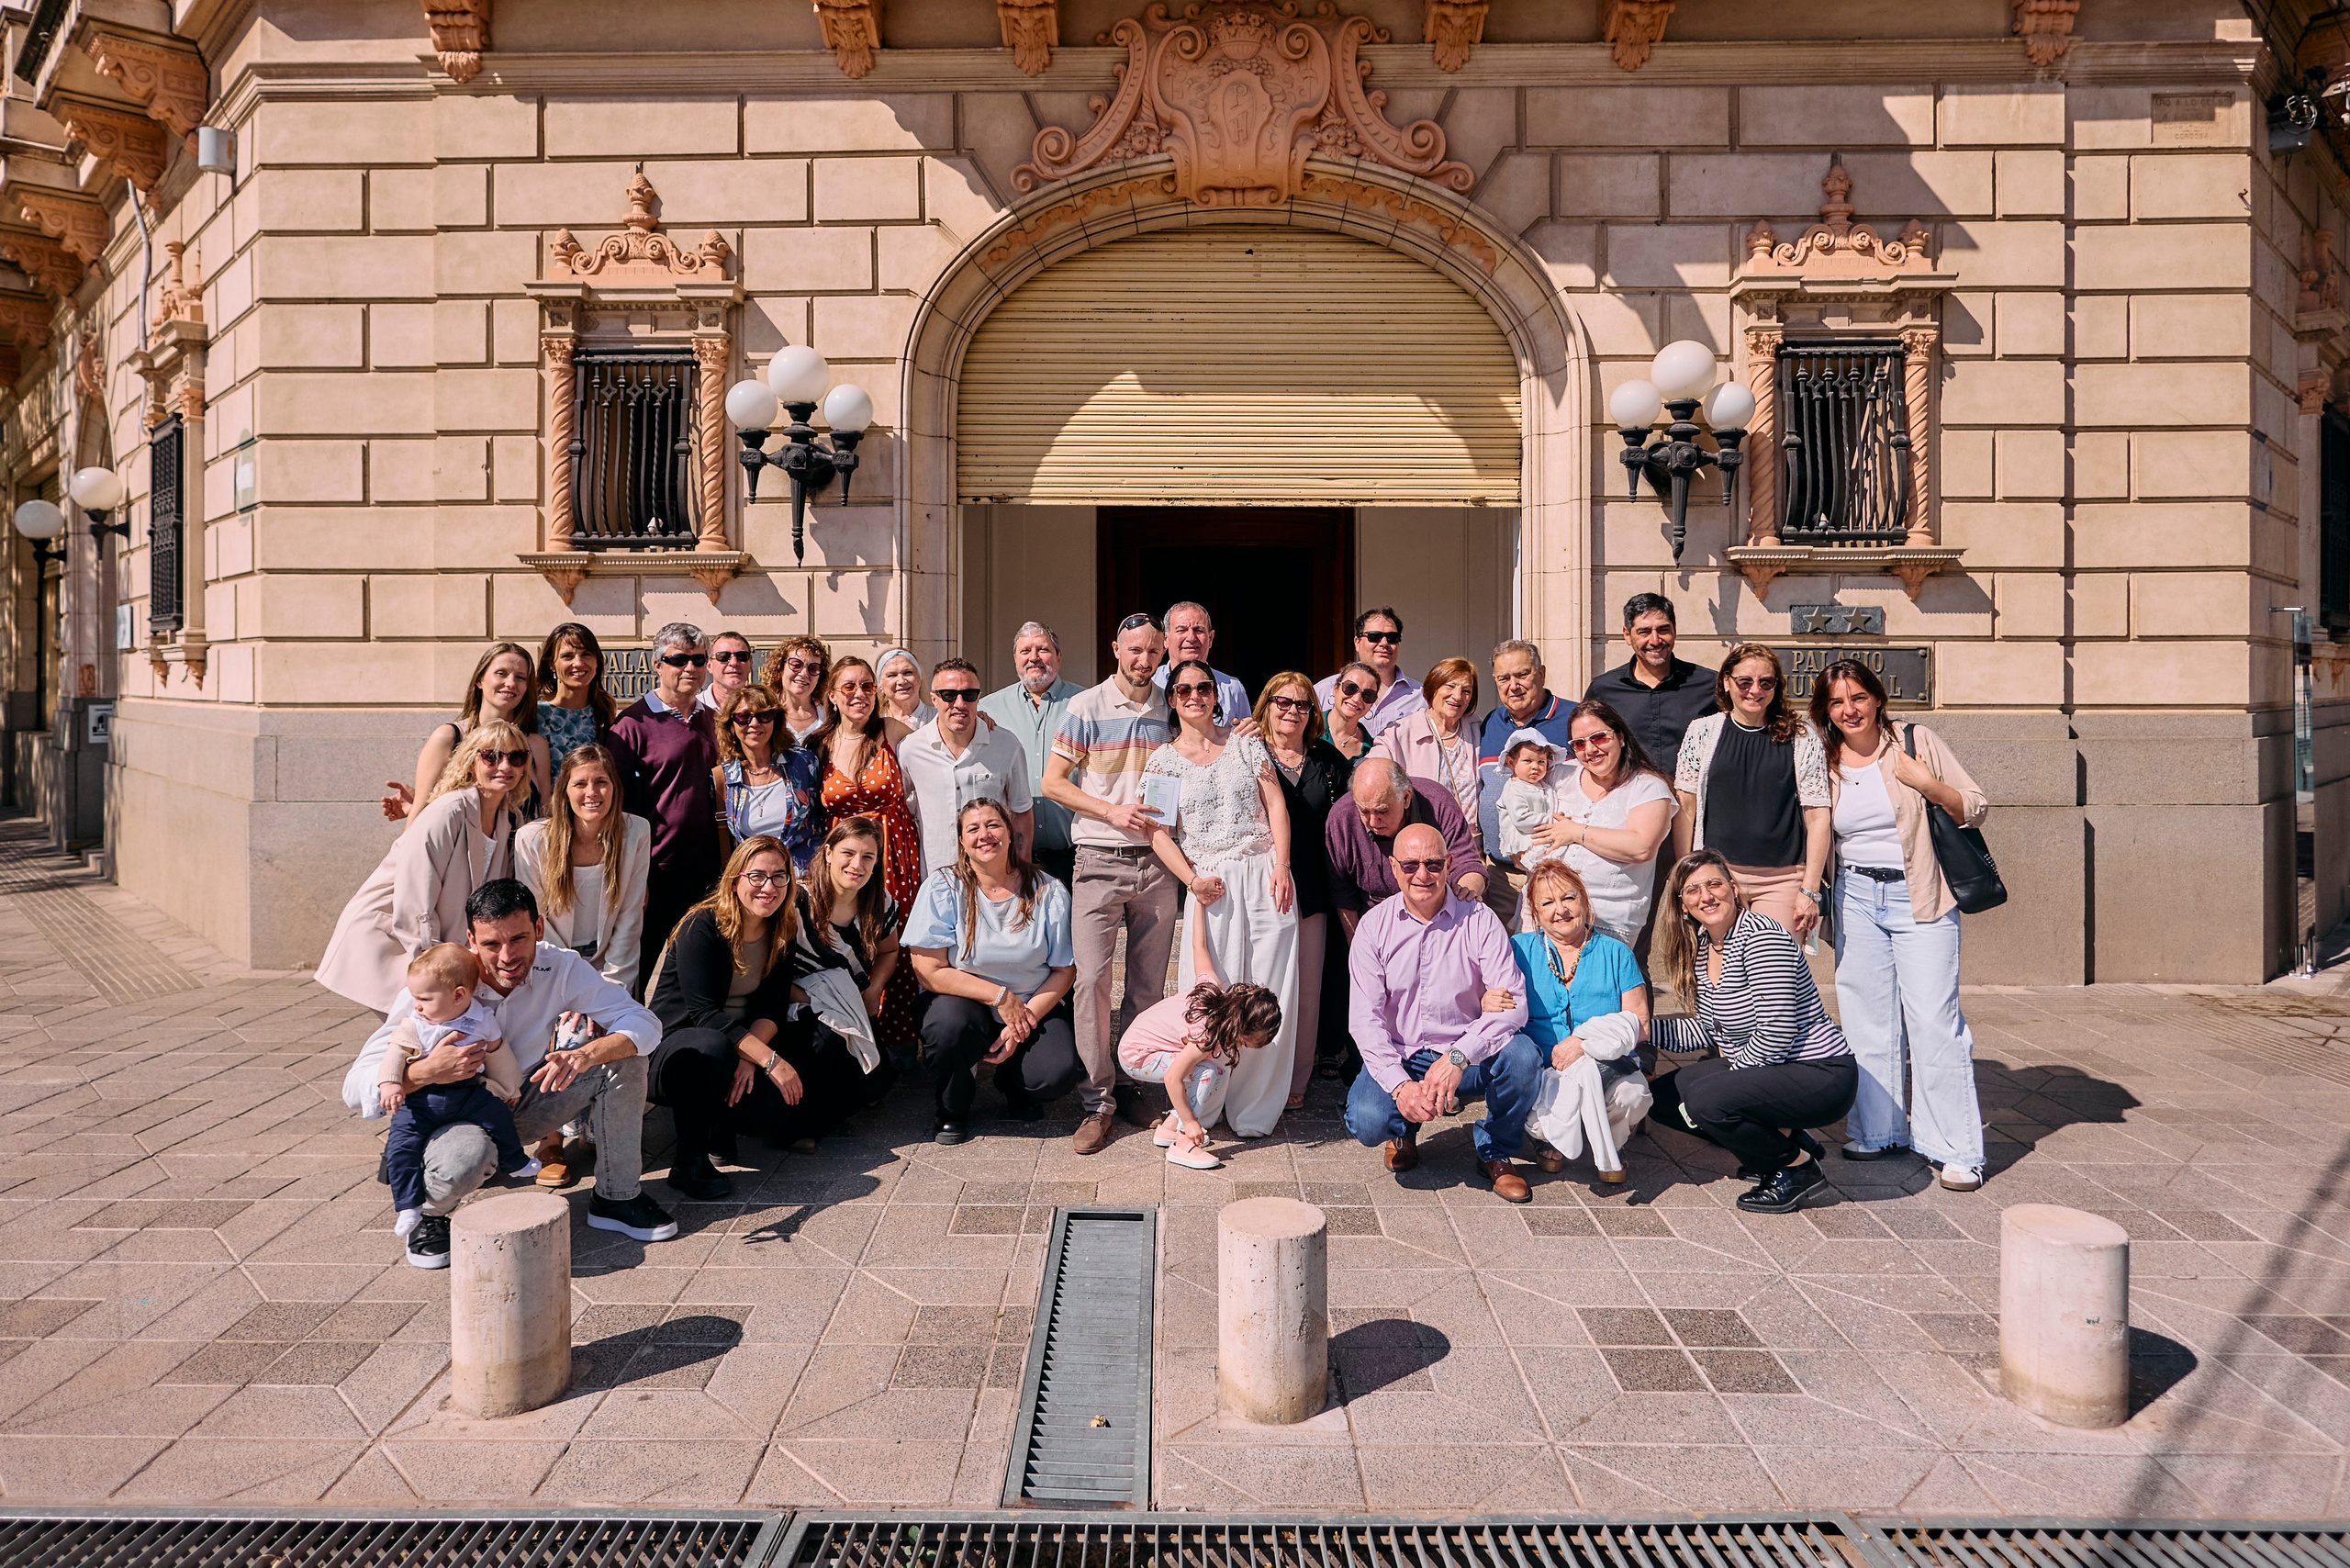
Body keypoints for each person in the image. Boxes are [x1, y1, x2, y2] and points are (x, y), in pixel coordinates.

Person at [340, 878, 677, 1268]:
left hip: (519, 1099)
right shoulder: (440, 978)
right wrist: (425, 1072)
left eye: (518, 939)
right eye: (490, 944)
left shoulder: (561, 966)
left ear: (538, 928)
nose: (506, 957)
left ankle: (617, 1198)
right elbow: (354, 1086)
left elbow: (644, 1022)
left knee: (624, 1058)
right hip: (449, 1117)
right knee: (468, 1156)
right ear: (471, 939)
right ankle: (429, 1212)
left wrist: (587, 1053)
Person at [1811, 658, 1993, 1192]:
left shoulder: (1916, 741)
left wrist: (1928, 784)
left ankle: (1956, 1150)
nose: (1849, 710)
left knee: (1935, 1022)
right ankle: (1879, 1129)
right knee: (1866, 1018)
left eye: (1858, 698)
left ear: (1877, 699)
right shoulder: (1823, 758)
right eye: (1837, 702)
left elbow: (1976, 807)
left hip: (1922, 895)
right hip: (1856, 896)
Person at [1648, 851, 1857, 1214]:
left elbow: (1776, 1035)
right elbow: (1706, 1031)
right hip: (1775, 1070)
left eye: (1714, 884)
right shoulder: (1705, 948)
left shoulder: (1761, 937)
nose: (1706, 896)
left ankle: (1796, 1167)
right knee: (1664, 1099)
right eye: (1693, 890)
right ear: (1683, 905)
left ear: (1733, 888)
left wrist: (1723, 1080)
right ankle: (1783, 1140)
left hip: (1820, 1072)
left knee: (1705, 1100)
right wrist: (1642, 1031)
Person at [1143, 657, 1300, 1138]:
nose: (1195, 696)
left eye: (1204, 687)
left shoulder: (1247, 745)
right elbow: (1158, 833)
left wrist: (1281, 864)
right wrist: (1191, 879)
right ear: (1172, 699)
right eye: (1184, 689)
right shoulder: (1164, 762)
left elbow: (1276, 804)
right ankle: (1204, 1103)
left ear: (1216, 694)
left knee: (1272, 985)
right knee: (1213, 992)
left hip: (1265, 872)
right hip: (1210, 883)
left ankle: (1255, 1108)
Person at [1343, 823, 1539, 1202]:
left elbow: (1514, 1004)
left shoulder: (1479, 919)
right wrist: (1400, 1086)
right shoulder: (1373, 928)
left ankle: (1495, 1148)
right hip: (1405, 1054)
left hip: (1465, 1053)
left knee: (1523, 1058)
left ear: (1449, 864)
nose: (1422, 874)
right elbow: (1364, 1020)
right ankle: (1404, 1127)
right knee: (1367, 1120)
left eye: (1433, 864)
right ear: (1393, 867)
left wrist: (1459, 1055)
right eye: (1411, 864)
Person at [1041, 612, 1177, 1156]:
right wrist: (1109, 811)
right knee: (1091, 981)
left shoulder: (1171, 706)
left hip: (1159, 862)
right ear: (1115, 647)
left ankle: (1134, 1082)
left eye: (1153, 652)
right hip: (1098, 857)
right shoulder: (1086, 706)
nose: (1144, 661)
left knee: (1147, 986)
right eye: (1134, 650)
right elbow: (1052, 782)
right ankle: (1097, 1102)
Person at [510, 742, 651, 1189]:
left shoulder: (635, 833)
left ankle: (594, 1126)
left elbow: (630, 919)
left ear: (615, 788)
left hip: (608, 962)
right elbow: (537, 923)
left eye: (602, 782)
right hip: (550, 963)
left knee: (611, 1034)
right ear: (564, 791)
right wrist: (570, 990)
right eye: (581, 783)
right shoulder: (534, 840)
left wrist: (607, 993)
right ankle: (548, 1140)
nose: (593, 792)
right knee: (548, 1032)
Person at [319, 722, 530, 1014]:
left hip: (438, 952)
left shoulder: (510, 819)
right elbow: (415, 902)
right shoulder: (447, 812)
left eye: (515, 757)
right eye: (491, 756)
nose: (504, 765)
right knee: (412, 1044)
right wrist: (437, 972)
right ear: (471, 762)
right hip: (394, 944)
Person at [905, 799, 1080, 1144]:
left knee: (1055, 1074)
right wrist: (1000, 997)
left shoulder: (1048, 889)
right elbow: (927, 971)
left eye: (993, 825)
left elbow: (1064, 970)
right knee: (948, 1027)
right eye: (973, 828)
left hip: (1031, 1005)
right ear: (961, 841)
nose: (984, 835)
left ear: (1011, 834)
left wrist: (1020, 1023)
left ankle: (1016, 1086)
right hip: (963, 1002)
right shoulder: (943, 887)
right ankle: (952, 1108)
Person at [645, 835, 805, 1200]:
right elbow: (704, 1014)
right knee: (712, 1047)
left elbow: (772, 1008)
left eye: (780, 876)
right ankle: (689, 1161)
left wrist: (751, 1056)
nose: (769, 887)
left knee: (775, 1109)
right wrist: (768, 1059)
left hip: (738, 1043)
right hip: (677, 1050)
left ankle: (721, 1124)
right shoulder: (701, 925)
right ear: (735, 880)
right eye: (757, 876)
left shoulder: (782, 928)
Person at [1672, 644, 1830, 937]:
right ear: (1726, 682)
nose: (1755, 690)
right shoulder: (1702, 732)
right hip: (1715, 880)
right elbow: (1685, 808)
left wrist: (1810, 889)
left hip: (1781, 881)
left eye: (1765, 682)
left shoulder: (1802, 738)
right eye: (1745, 681)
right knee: (1719, 975)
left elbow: (1818, 816)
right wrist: (1688, 875)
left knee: (1775, 974)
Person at [377, 944, 532, 1239]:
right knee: (401, 1146)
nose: (417, 1006)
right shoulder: (415, 1025)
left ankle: (517, 1161)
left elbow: (498, 1052)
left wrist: (509, 1088)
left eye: (424, 999)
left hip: (466, 1095)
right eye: (414, 999)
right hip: (421, 1101)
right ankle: (409, 1206)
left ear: (459, 996)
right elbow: (394, 1055)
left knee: (498, 1114)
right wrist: (391, 1084)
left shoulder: (480, 1018)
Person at [1510, 862, 1650, 1183]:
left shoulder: (1616, 953)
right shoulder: (1519, 950)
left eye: (1568, 898)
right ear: (1534, 911)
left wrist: (1585, 1044)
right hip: (1545, 1074)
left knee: (1634, 1095)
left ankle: (1613, 1143)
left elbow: (1640, 1025)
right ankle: (1545, 1138)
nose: (1560, 910)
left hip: (1605, 1068)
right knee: (1540, 1121)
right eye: (1547, 903)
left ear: (1584, 901)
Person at [1503, 700, 1677, 947]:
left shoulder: (1648, 786)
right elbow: (1514, 794)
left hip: (1605, 922)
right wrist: (1517, 848)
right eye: (1580, 744)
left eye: (1599, 737)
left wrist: (1576, 832)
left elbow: (1642, 846)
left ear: (1620, 737)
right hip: (1541, 915)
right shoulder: (1561, 774)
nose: (1591, 749)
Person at [1255, 671, 1352, 1098]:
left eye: (1302, 704)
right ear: (1266, 706)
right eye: (1283, 702)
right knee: (1269, 981)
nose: (1292, 711)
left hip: (1314, 883)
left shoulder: (1329, 762)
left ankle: (1296, 1081)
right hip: (1263, 885)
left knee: (1309, 986)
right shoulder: (1248, 753)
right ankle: (1256, 1073)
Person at [606, 622, 724, 973]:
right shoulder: (630, 725)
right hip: (655, 872)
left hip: (708, 871)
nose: (689, 668)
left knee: (699, 970)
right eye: (678, 660)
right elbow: (618, 807)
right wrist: (631, 876)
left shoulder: (716, 721)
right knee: (637, 970)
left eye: (698, 660)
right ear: (657, 665)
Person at [778, 814, 903, 1144]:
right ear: (829, 852)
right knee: (827, 1041)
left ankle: (834, 1106)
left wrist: (875, 989)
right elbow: (771, 971)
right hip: (796, 1001)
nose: (857, 864)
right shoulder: (794, 902)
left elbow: (890, 951)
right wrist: (820, 1001)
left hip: (852, 1002)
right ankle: (801, 1124)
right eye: (848, 853)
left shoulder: (881, 902)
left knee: (875, 1084)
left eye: (868, 856)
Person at [1117, 973, 1283, 1170]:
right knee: (1206, 1072)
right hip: (1137, 1057)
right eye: (1243, 1042)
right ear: (1240, 1027)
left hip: (1140, 1044)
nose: (1241, 1046)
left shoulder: (1216, 995)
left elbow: (1202, 960)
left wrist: (1199, 940)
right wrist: (1189, 1122)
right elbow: (1173, 1078)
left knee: (1219, 1071)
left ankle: (1169, 1128)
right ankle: (1183, 1144)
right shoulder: (1206, 1035)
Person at [383, 643, 551, 825]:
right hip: (460, 851)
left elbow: (545, 814)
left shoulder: (535, 745)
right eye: (501, 673)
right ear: (480, 680)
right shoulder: (448, 737)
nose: (511, 683)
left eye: (520, 677)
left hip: (519, 852)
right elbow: (421, 811)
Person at [901, 656, 1035, 879]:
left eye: (969, 695)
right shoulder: (911, 749)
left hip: (995, 879)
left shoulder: (1007, 746)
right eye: (949, 695)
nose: (960, 704)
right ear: (934, 699)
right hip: (935, 878)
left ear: (978, 697)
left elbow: (1021, 813)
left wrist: (1022, 872)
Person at [1473, 639, 1576, 926]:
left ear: (1541, 674)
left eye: (1522, 675)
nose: (1513, 685)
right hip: (1500, 876)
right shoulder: (1491, 723)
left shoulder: (1575, 718)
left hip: (1556, 871)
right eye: (1504, 678)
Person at [1324, 758, 1483, 936]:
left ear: (1406, 798)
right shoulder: (1342, 817)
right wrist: (1358, 949)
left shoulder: (1438, 802)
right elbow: (1343, 896)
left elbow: (1467, 864)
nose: (1373, 822)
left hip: (1440, 924)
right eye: (1364, 811)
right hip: (1376, 930)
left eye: (1382, 811)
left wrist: (1466, 894)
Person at [980, 622, 1085, 890]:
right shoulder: (988, 709)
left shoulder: (1086, 704)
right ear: (1015, 658)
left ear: (1059, 657)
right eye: (1025, 650)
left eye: (1043, 650)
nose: (1034, 657)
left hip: (1074, 856)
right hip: (1009, 857)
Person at [1583, 593, 1721, 777]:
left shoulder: (1709, 685)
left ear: (1675, 631)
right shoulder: (1603, 690)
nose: (1655, 640)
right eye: (1644, 632)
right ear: (1627, 635)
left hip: (1694, 801)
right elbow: (1583, 746)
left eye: (1663, 630)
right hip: (1627, 800)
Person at [1374, 657, 1483, 859]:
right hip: (1423, 850)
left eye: (1466, 691)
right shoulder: (1400, 733)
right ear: (1433, 687)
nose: (1457, 696)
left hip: (1470, 848)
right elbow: (1371, 773)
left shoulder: (1477, 729)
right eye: (1450, 686)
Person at [713, 684, 824, 872]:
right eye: (743, 717)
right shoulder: (724, 777)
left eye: (764, 716)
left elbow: (822, 820)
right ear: (731, 726)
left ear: (776, 721)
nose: (754, 724)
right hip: (754, 880)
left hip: (804, 877)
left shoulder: (803, 763)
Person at [1315, 608, 1424, 735]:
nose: (1384, 643)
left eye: (1392, 637)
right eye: (1374, 636)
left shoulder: (1421, 697)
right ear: (1357, 642)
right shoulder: (1323, 690)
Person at [1147, 601, 1251, 722]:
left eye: (1198, 630)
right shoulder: (1150, 683)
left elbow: (1247, 736)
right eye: (1181, 630)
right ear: (1165, 639)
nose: (1191, 638)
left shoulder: (1232, 689)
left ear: (1211, 638)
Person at [537, 622, 618, 770]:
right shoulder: (535, 713)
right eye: (567, 656)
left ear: (597, 661)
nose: (578, 663)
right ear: (552, 664)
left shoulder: (604, 709)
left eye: (586, 654)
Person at [764, 634, 832, 744]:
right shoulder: (764, 713)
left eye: (813, 668)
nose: (804, 673)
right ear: (780, 668)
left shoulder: (828, 719)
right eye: (796, 665)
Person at [1320, 661, 1382, 769]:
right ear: (1335, 689)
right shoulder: (1307, 729)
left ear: (1372, 704)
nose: (1357, 699)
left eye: (1367, 695)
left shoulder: (1372, 749)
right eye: (1351, 688)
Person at [697, 630, 759, 714]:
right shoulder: (692, 709)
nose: (733, 663)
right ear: (709, 665)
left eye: (742, 656)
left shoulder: (764, 712)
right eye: (723, 657)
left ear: (750, 664)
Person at [877, 647, 935, 729]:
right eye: (892, 675)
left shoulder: (938, 719)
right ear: (880, 684)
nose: (901, 681)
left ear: (919, 678)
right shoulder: (873, 723)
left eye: (907, 672)